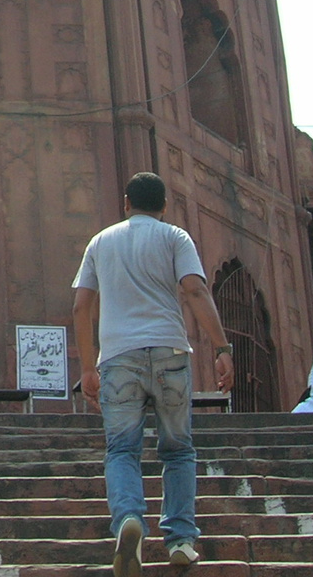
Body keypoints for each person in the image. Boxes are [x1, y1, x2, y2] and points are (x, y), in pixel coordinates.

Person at [72, 172, 235, 576]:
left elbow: (80, 307)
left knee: (122, 450)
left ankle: (129, 519)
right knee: (178, 449)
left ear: (126, 203)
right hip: (169, 352)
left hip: (117, 358)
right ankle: (180, 538)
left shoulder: (100, 242)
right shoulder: (175, 237)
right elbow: (195, 290)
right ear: (164, 206)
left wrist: (87, 366)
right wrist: (222, 348)